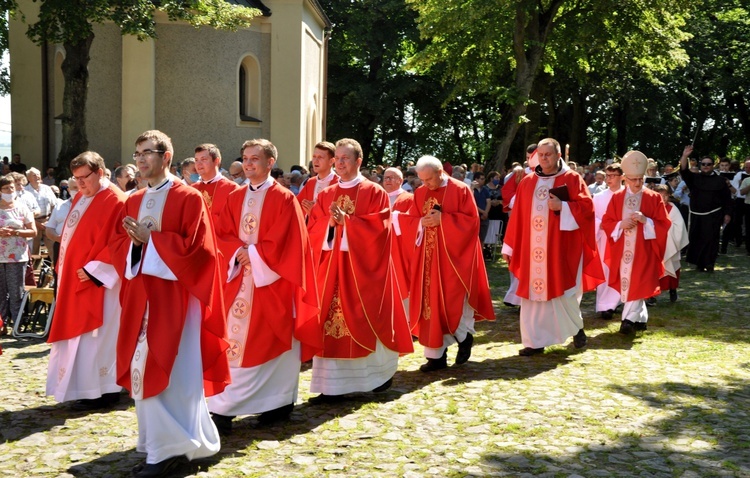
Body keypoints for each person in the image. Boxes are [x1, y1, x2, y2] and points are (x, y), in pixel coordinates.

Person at [111, 130, 230, 477]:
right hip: (143, 301)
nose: (141, 160)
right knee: (143, 370)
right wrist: (136, 247)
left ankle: (172, 451)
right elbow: (121, 246)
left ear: (166, 156)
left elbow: (202, 253)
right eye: (137, 154)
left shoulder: (188, 198)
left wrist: (154, 242)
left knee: (172, 373)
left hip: (177, 301)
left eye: (148, 153)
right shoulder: (132, 201)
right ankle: (168, 445)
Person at [208, 139, 321, 434]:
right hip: (238, 280)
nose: (248, 164)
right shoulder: (234, 197)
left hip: (273, 283)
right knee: (235, 341)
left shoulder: (284, 199)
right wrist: (238, 253)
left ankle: (278, 402)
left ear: (270, 162)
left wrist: (255, 254)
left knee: (271, 340)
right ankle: (223, 407)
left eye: (255, 159)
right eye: (245, 158)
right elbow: (222, 234)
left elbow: (292, 243)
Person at [306, 138, 413, 402]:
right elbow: (313, 230)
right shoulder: (326, 194)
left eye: (345, 158)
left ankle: (377, 376)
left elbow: (381, 230)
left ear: (358, 162)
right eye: (337, 158)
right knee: (329, 323)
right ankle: (331, 386)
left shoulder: (373, 192)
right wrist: (330, 225)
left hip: (363, 272)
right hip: (331, 271)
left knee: (367, 317)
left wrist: (349, 223)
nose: (340, 163)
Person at [501, 138, 602, 356]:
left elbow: (587, 209)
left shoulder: (572, 179)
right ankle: (534, 341)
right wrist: (509, 246)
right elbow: (517, 216)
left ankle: (577, 328)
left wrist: (563, 207)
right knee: (531, 296)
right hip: (531, 249)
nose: (544, 158)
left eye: (549, 154)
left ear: (558, 156)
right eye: (541, 154)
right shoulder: (528, 182)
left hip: (561, 247)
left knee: (563, 293)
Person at [396, 156, 495, 371]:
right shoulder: (421, 193)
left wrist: (445, 220)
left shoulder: (460, 189)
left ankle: (464, 337)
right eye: (422, 180)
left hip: (453, 259)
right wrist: (419, 222)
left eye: (429, 179)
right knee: (429, 305)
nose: (426, 185)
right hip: (427, 260)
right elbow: (412, 219)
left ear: (441, 172)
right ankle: (436, 357)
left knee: (451, 301)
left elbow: (472, 222)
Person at [45, 152, 127, 410]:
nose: (78, 184)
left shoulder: (115, 199)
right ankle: (83, 387)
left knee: (98, 337)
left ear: (100, 173)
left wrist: (96, 270)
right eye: (75, 178)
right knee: (78, 337)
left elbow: (121, 239)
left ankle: (106, 389)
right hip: (74, 279)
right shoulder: (81, 196)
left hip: (99, 283)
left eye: (84, 178)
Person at [601, 151, 670, 334]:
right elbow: (606, 222)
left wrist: (646, 220)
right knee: (630, 282)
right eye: (633, 179)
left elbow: (664, 224)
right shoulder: (617, 198)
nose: (638, 183)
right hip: (622, 249)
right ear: (625, 178)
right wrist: (620, 224)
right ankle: (641, 318)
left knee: (638, 281)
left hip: (644, 249)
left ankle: (628, 320)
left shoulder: (653, 198)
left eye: (640, 179)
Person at [679, 146, 733, 272]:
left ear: (713, 165)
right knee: (697, 238)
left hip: (714, 215)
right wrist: (684, 156)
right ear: (700, 165)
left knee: (711, 239)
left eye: (708, 164)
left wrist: (728, 214)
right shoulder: (694, 178)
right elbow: (684, 170)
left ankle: (709, 263)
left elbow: (727, 199)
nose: (706, 166)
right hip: (697, 215)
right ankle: (698, 263)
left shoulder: (720, 181)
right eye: (703, 164)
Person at [0, 176, 37, 335]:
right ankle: (2, 325)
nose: (9, 191)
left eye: (12, 188)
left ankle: (17, 325)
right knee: (0, 293)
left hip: (17, 256)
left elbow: (33, 231)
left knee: (16, 292)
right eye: (6, 189)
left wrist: (15, 232)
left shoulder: (22, 207)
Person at [592, 163, 624, 319]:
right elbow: (593, 218)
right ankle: (605, 306)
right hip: (605, 238)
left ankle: (618, 301)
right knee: (605, 270)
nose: (609, 179)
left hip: (624, 238)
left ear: (622, 177)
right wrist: (602, 225)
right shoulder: (598, 197)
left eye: (613, 176)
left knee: (621, 270)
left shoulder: (628, 195)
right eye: (607, 176)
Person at [382, 167, 414, 308]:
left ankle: (406, 318)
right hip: (380, 246)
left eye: (391, 177)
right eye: (385, 178)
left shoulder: (409, 198)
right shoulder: (379, 196)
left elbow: (413, 221)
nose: (387, 180)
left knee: (401, 280)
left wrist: (395, 217)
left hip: (399, 248)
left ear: (400, 180)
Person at [654, 184, 689, 303]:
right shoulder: (651, 208)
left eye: (665, 196)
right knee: (653, 269)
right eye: (659, 195)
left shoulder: (673, 209)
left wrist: (663, 229)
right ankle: (651, 293)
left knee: (671, 267)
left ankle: (672, 289)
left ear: (669, 196)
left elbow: (678, 226)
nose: (663, 198)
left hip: (669, 243)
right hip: (655, 243)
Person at [192, 143, 240, 224]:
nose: (198, 164)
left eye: (203, 159)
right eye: (196, 160)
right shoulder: (192, 189)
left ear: (216, 161)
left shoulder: (232, 189)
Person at [45, 178, 79, 269]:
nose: (78, 191)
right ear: (68, 189)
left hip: (81, 247)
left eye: (80, 187)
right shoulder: (59, 206)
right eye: (74, 188)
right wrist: (59, 238)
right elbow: (49, 228)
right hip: (60, 246)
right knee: (59, 274)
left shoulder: (90, 206)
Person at [25, 167, 58, 255]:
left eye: (38, 174)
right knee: (34, 251)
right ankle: (35, 268)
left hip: (48, 221)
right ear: (28, 178)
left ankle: (54, 268)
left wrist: (50, 221)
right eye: (34, 175)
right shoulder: (25, 191)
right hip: (32, 223)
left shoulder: (47, 188)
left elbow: (54, 205)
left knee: (53, 249)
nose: (37, 177)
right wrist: (37, 224)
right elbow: (24, 212)